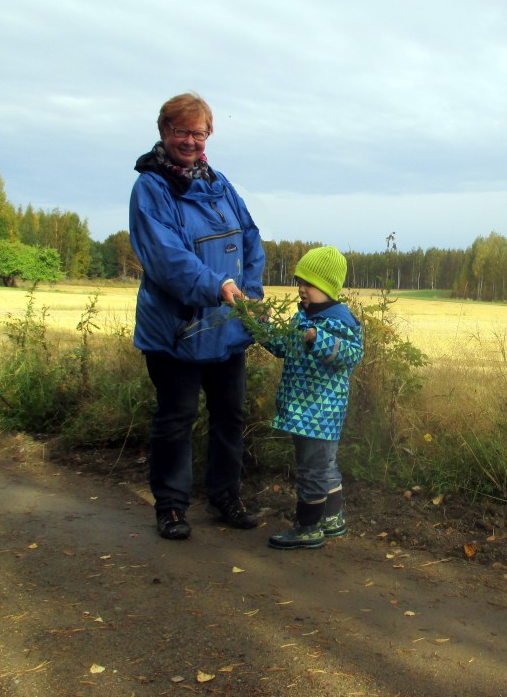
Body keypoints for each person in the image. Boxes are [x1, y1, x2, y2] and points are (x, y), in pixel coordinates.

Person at [129, 92, 265, 540]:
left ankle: (226, 496)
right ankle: (170, 506)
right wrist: (218, 286)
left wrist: (253, 292)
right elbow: (165, 258)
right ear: (164, 132)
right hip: (177, 329)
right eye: (181, 131)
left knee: (230, 416)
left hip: (227, 326)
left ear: (209, 135)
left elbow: (249, 236)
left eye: (199, 132)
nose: (190, 140)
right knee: (176, 418)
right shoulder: (151, 188)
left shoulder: (219, 183)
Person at [263, 246, 363, 550]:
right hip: (301, 409)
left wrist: (318, 339)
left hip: (321, 412)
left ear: (329, 288)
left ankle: (307, 528)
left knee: (313, 470)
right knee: (324, 466)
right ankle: (332, 520)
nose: (302, 290)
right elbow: (285, 348)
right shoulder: (303, 317)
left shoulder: (338, 321)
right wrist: (263, 329)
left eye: (309, 284)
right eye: (299, 283)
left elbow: (351, 354)